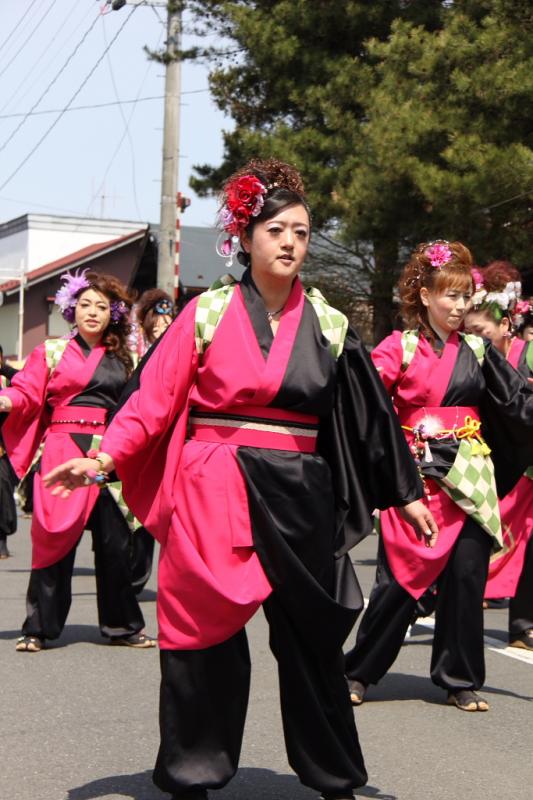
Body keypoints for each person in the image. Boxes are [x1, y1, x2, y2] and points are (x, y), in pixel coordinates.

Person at [44, 158, 436, 800]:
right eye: (276, 230)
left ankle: (335, 776)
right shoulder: (206, 312)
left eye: (301, 232)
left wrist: (407, 494)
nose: (290, 243)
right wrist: (105, 457)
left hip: (300, 490)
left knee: (312, 638)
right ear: (246, 237)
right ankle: (193, 772)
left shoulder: (330, 324)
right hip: (213, 483)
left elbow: (371, 420)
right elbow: (151, 400)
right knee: (201, 632)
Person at [344, 241, 533, 713]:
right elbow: (365, 406)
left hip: (469, 479)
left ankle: (459, 678)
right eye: (450, 295)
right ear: (425, 295)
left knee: (466, 578)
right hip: (415, 480)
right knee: (399, 581)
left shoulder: (478, 349)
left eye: (465, 295)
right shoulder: (399, 347)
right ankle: (359, 670)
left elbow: (516, 404)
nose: (460, 305)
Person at [0, 270, 156, 652]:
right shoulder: (51, 351)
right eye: (85, 304)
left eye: (101, 306)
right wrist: (6, 400)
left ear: (112, 314)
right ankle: (38, 628)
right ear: (72, 309)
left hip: (107, 457)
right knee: (52, 539)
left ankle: (122, 626)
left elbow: (138, 405)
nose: (92, 312)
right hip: (62, 450)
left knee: (115, 543)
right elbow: (26, 392)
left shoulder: (127, 359)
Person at [465, 262, 533, 651]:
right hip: (485, 467)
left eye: (481, 332)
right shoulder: (468, 358)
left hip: (524, 466)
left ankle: (522, 625)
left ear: (506, 325)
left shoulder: (527, 354)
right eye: (470, 332)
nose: (476, 339)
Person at [129, 288, 176, 593]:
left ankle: (141, 577)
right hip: (133, 438)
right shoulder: (131, 354)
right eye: (156, 324)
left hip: (166, 442)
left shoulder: (179, 351)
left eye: (167, 322)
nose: (162, 328)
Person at [0, 346, 19, 558]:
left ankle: (1, 539)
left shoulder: (7, 381)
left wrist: (4, 368)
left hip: (3, 449)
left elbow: (27, 382)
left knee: (3, 492)